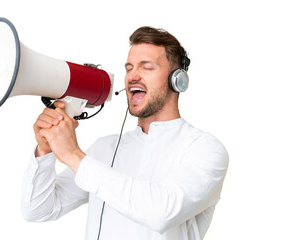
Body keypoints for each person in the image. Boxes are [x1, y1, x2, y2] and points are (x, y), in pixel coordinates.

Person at [21, 26, 229, 240]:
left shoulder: (204, 148)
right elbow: (38, 210)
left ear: (177, 79)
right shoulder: (105, 148)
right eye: (129, 68)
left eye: (146, 67)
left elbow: (161, 212)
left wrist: (74, 156)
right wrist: (45, 151)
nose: (132, 76)